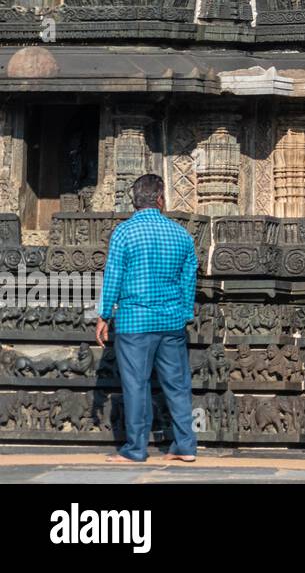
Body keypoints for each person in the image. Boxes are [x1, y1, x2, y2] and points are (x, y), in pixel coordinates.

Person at [95, 173, 199, 464]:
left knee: (136, 384)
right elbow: (188, 281)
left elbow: (113, 276)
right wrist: (184, 314)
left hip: (135, 321)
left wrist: (104, 315)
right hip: (171, 321)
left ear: (135, 200)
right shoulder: (181, 234)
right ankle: (185, 446)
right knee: (177, 385)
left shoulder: (125, 232)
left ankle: (136, 449)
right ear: (160, 198)